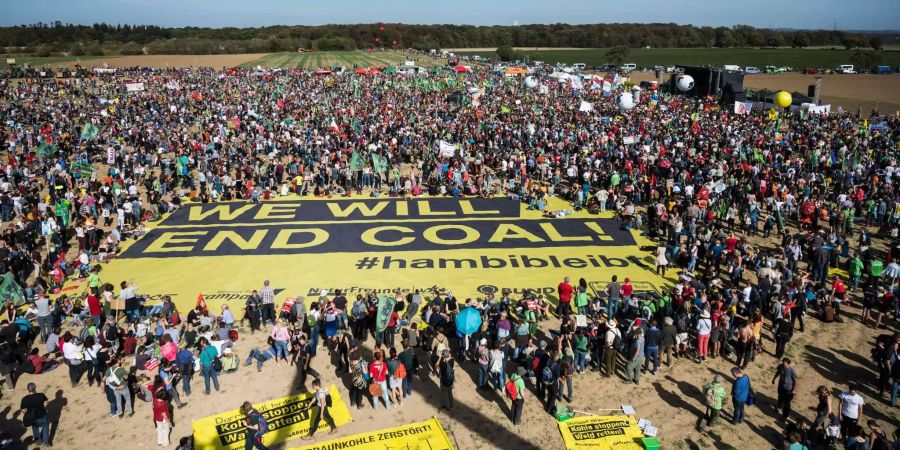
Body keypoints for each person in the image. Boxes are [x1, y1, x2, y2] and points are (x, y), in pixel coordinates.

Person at [19, 383, 51, 447]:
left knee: (35, 429)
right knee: (45, 427)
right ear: (35, 388)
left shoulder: (24, 399)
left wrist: (27, 414)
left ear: (28, 389)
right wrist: (44, 407)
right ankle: (46, 442)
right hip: (42, 415)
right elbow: (47, 402)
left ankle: (38, 442)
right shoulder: (41, 395)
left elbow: (23, 410)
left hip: (32, 418)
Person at [772, 358, 798, 422]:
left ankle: (785, 416)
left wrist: (793, 389)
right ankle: (779, 407)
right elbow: (777, 373)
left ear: (788, 364)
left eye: (785, 363)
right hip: (781, 386)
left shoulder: (791, 371)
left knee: (787, 403)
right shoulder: (780, 367)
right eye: (783, 362)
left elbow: (794, 380)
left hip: (788, 389)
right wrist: (774, 379)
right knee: (780, 398)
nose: (783, 364)